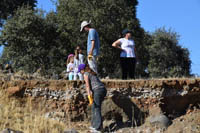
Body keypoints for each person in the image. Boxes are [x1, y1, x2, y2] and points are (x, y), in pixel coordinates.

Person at [78, 64, 107, 132]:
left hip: (98, 91)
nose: (80, 73)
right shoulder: (91, 72)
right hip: (102, 90)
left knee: (96, 108)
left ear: (82, 70)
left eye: (80, 71)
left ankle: (97, 128)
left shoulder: (86, 74)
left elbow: (87, 86)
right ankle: (95, 126)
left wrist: (89, 96)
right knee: (95, 107)